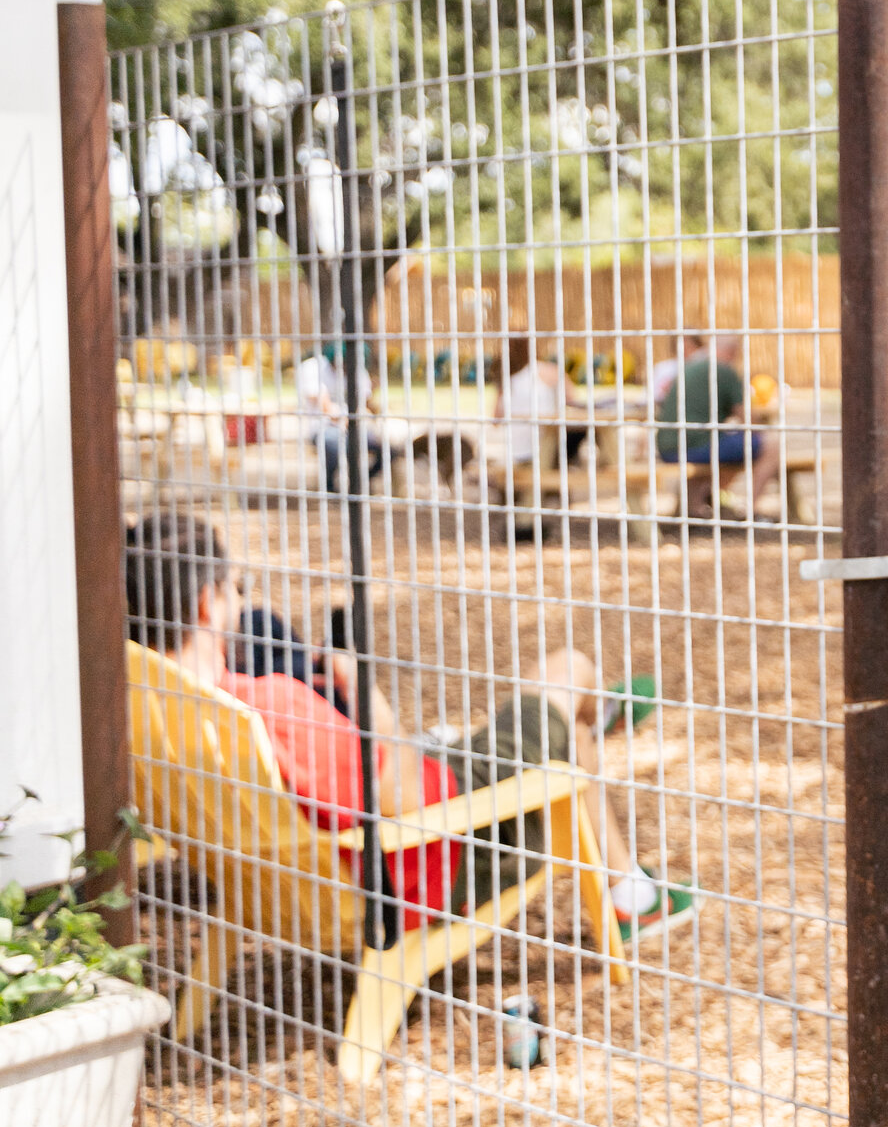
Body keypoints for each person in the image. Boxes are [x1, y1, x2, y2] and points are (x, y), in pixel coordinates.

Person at [125, 511, 694, 937]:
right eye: (235, 590)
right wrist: (364, 689)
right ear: (206, 603)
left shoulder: (149, 705)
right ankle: (628, 883)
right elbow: (398, 793)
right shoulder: (268, 705)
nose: (239, 604)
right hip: (450, 846)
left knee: (567, 718)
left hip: (327, 869)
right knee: (567, 674)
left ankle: (628, 881)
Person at [654, 335, 780, 516]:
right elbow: (748, 419)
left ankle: (695, 507)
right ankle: (750, 510)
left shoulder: (689, 367)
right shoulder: (723, 370)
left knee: (727, 444)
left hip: (668, 447)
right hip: (695, 446)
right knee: (770, 443)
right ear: (733, 352)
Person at [297, 344, 384, 494]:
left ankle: (360, 483)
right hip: (323, 426)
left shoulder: (358, 369)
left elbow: (365, 403)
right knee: (335, 443)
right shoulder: (313, 368)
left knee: (387, 450)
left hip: (353, 425)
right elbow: (326, 407)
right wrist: (348, 420)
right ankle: (329, 487)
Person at [494, 339, 588, 468]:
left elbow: (495, 420)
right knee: (588, 428)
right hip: (545, 450)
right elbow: (572, 398)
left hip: (515, 452)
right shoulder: (547, 370)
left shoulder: (506, 382)